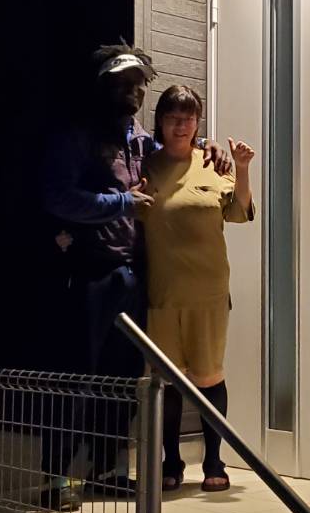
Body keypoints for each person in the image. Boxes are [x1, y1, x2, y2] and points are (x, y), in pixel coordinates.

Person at [43, 45, 230, 488]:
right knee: (80, 376)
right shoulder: (80, 138)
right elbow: (58, 198)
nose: (133, 90)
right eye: (123, 82)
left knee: (125, 377)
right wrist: (120, 203)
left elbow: (179, 149)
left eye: (139, 83)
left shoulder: (143, 142)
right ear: (104, 85)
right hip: (91, 272)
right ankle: (55, 477)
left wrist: (207, 146)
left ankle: (107, 471)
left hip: (136, 276)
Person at [137, 83, 255, 492]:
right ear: (160, 122)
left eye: (189, 119)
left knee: (209, 378)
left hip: (208, 293)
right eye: (173, 118)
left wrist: (242, 167)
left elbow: (239, 212)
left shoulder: (212, 163)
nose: (182, 126)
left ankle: (214, 461)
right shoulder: (146, 165)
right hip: (162, 293)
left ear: (198, 123)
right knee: (168, 380)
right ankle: (171, 461)